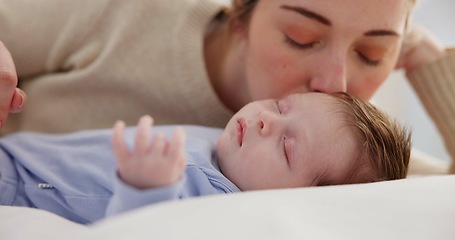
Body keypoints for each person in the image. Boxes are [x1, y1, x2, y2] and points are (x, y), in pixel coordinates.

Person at [0, 0, 452, 173]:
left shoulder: (349, 156)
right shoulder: (126, 13)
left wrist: (431, 62)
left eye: (372, 54)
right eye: (302, 38)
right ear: (241, 11)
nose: (335, 84)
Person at [0, 92, 411, 224]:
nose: (265, 120)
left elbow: (149, 230)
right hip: (17, 153)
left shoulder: (219, 206)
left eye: (288, 148)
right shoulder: (233, 147)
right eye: (281, 105)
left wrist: (145, 190)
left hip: (17, 193)